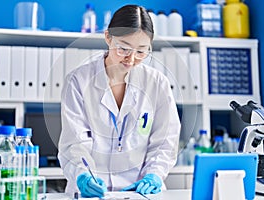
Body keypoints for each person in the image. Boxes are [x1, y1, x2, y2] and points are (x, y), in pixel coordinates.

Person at [58, 4, 181, 198]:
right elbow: (74, 143)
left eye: (141, 51)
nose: (131, 59)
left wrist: (154, 175)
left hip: (141, 194)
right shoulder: (79, 81)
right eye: (123, 48)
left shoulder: (157, 83)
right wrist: (82, 175)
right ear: (108, 37)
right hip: (92, 195)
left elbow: (165, 141)